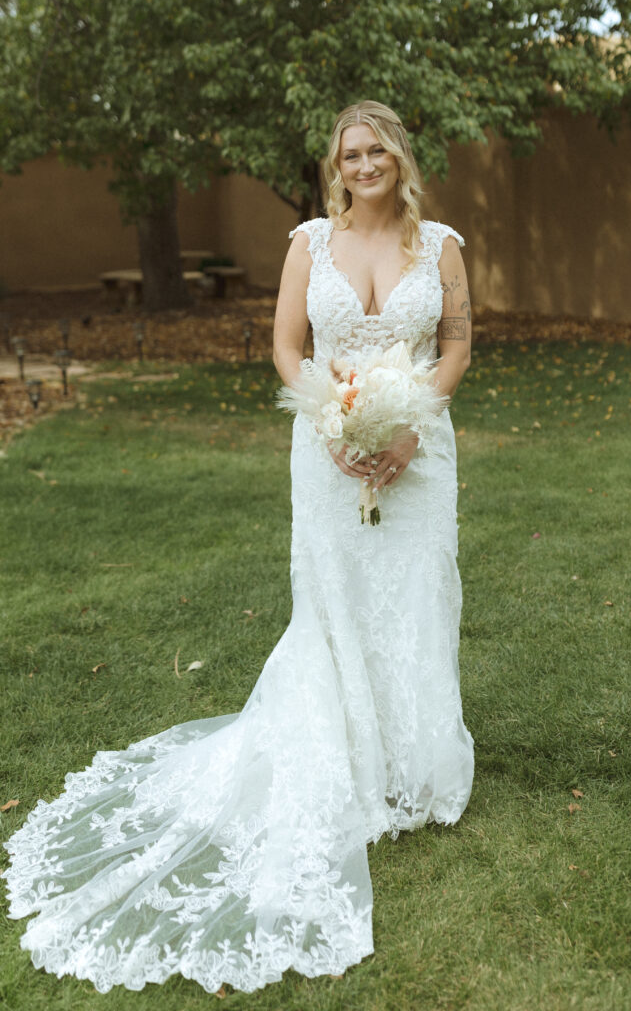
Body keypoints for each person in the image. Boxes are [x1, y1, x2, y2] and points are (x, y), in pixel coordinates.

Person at [3, 100, 474, 995]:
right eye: (349, 154)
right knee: (333, 603)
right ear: (334, 166)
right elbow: (287, 348)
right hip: (324, 451)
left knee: (417, 594)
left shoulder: (440, 245)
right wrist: (335, 423)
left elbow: (453, 344)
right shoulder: (308, 244)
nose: (363, 164)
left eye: (376, 151)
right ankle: (345, 762)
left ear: (399, 158)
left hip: (422, 450)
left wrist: (410, 425)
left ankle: (413, 765)